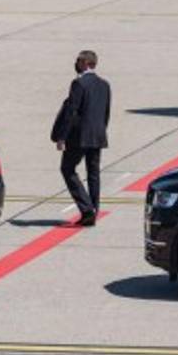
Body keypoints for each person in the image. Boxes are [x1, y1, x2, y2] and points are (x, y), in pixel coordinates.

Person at [51, 50, 111, 226]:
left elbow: (71, 111)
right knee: (93, 173)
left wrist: (62, 137)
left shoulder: (79, 84)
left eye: (78, 60)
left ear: (85, 62)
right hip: (98, 134)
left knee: (67, 169)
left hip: (79, 136)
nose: (76, 63)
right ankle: (93, 210)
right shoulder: (104, 84)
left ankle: (86, 209)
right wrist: (101, 131)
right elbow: (106, 112)